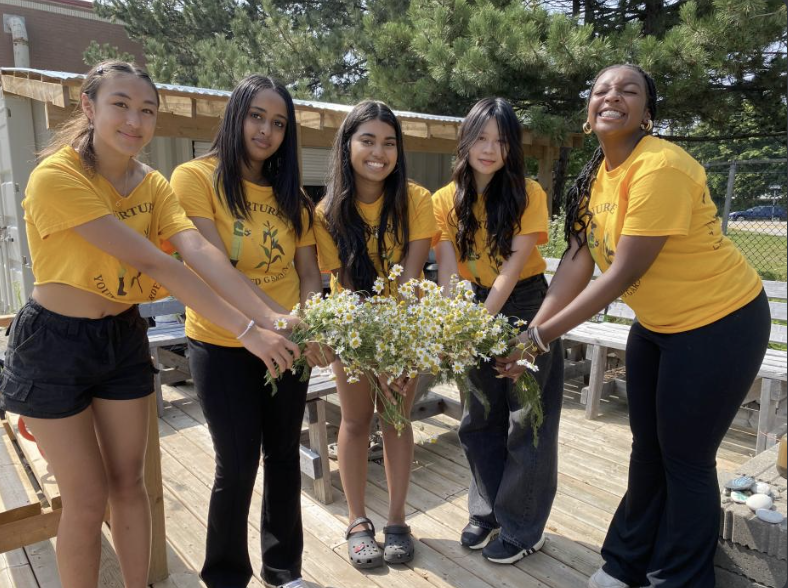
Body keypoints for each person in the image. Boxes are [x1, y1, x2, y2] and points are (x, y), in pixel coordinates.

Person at [0, 61, 300, 588]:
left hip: (122, 338)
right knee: (87, 498)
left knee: (129, 483)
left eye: (147, 110)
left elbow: (199, 251)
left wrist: (272, 316)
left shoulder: (155, 184)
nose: (134, 121)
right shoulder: (57, 176)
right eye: (120, 105)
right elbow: (158, 263)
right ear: (89, 107)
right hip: (54, 344)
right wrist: (249, 333)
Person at [497, 64, 770, 587]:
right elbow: (576, 262)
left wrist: (540, 338)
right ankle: (626, 562)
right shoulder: (596, 174)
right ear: (588, 111)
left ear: (648, 112)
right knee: (648, 447)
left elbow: (624, 271)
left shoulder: (661, 166)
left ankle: (680, 578)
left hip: (721, 322)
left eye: (629, 91)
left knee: (686, 458)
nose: (612, 96)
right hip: (659, 325)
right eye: (601, 90)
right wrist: (532, 330)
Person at [170, 74, 328, 588]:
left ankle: (284, 573)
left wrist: (312, 320)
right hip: (223, 342)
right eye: (257, 116)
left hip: (288, 345)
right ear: (235, 114)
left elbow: (309, 273)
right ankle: (225, 577)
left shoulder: (294, 199)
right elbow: (210, 262)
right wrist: (273, 319)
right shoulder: (194, 177)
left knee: (283, 457)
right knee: (235, 466)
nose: (266, 130)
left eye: (279, 123)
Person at [431, 97, 564, 564]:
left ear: (513, 148)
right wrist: (455, 323)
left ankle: (524, 527)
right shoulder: (444, 199)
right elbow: (448, 267)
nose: (490, 149)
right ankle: (486, 511)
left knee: (528, 419)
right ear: (465, 140)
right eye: (481, 137)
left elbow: (511, 270)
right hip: (472, 303)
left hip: (524, 303)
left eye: (501, 140)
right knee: (478, 416)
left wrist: (478, 322)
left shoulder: (529, 193)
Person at [313, 100, 436, 568]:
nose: (379, 152)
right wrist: (369, 354)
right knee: (356, 421)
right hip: (353, 328)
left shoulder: (417, 200)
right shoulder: (326, 211)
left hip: (405, 328)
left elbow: (410, 276)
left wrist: (397, 353)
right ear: (347, 146)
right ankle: (357, 522)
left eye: (389, 143)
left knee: (397, 419)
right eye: (367, 140)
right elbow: (341, 285)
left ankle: (398, 520)